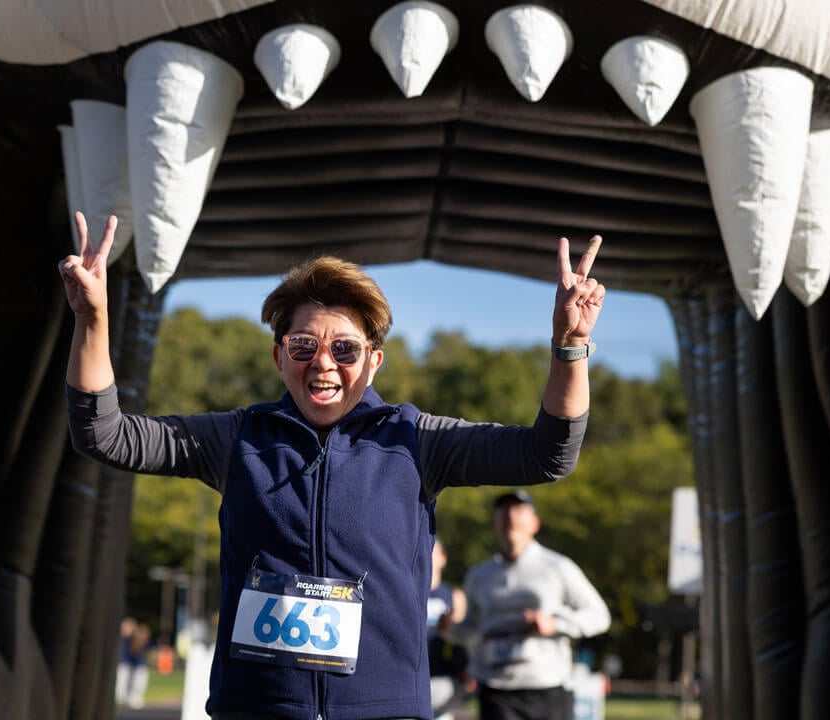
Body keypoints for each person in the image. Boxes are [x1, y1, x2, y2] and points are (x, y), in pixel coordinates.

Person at [58, 211, 606, 720]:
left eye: (344, 349)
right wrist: (92, 318)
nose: (323, 362)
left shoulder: (415, 439)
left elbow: (547, 454)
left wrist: (570, 347)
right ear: (279, 357)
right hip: (255, 708)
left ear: (374, 361)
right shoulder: (238, 438)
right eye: (303, 346)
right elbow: (104, 434)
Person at [453, 489, 611, 720]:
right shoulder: (479, 576)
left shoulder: (557, 567)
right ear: (493, 523)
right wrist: (450, 629)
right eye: (504, 511)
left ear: (535, 523)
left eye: (519, 511)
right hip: (496, 689)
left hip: (546, 687)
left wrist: (555, 623)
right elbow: (472, 630)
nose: (510, 517)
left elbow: (599, 615)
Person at [427, 540, 469, 720]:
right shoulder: (407, 593)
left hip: (441, 677)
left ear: (443, 558)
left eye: (433, 551)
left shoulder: (455, 596)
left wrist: (450, 624)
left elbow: (462, 639)